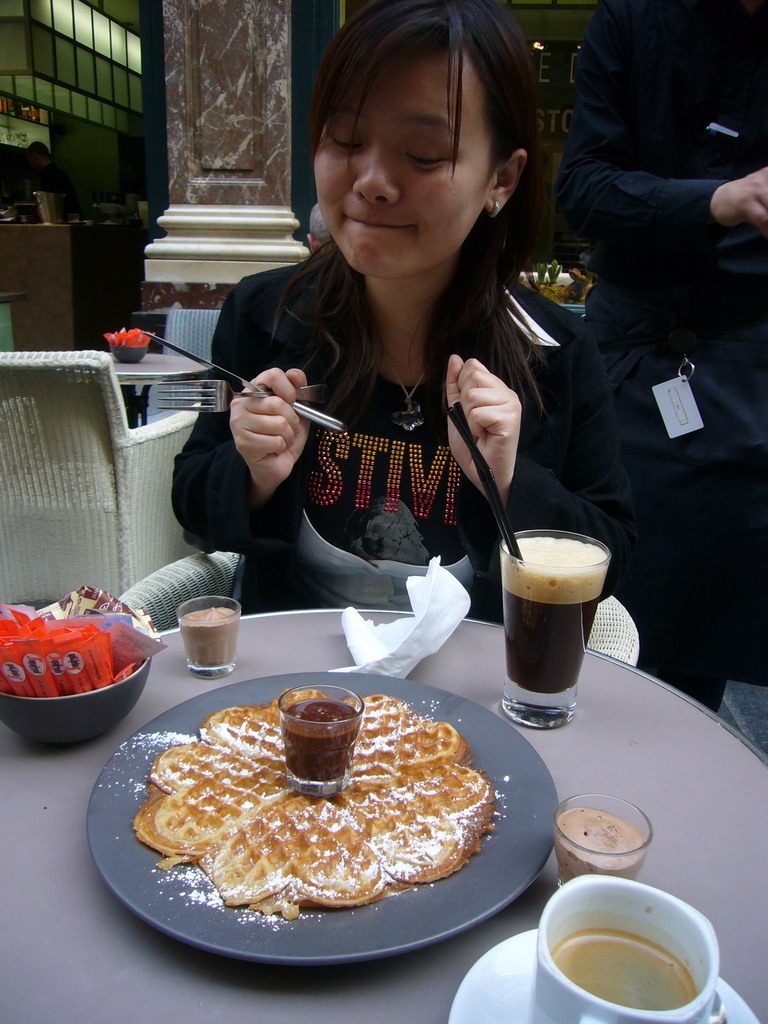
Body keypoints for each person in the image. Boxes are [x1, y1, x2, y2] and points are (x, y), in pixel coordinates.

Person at [173, 0, 635, 621]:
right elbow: (193, 502)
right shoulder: (267, 315)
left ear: (500, 179)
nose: (372, 181)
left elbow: (612, 554)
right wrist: (252, 470)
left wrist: (508, 481)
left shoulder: (555, 353)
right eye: (346, 139)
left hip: (470, 692)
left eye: (421, 155)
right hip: (296, 690)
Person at [556, 0, 768, 710]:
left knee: (706, 631)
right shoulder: (631, 18)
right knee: (608, 604)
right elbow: (580, 189)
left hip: (752, 369)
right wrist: (722, 201)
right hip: (627, 358)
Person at [25, 141, 81, 219]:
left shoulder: (47, 176)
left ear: (34, 157)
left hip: (60, 222)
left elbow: (50, 207)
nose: (31, 164)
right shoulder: (59, 173)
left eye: (30, 160)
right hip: (71, 221)